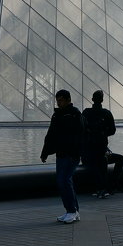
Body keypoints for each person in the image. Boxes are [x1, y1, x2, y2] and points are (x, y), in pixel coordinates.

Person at [40, 89, 84, 224]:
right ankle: (72, 211)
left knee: (63, 180)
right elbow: (50, 135)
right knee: (65, 181)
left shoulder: (75, 114)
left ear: (67, 100)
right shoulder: (57, 115)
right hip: (61, 154)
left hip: (71, 154)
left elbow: (81, 134)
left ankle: (72, 211)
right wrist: (45, 152)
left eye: (60, 100)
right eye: (57, 100)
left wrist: (76, 151)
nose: (58, 103)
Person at [82, 90, 116, 199]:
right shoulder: (107, 113)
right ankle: (105, 189)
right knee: (102, 165)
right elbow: (112, 130)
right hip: (101, 144)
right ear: (102, 100)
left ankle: (99, 189)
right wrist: (103, 133)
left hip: (89, 144)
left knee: (93, 166)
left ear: (92, 99)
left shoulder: (86, 112)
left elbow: (81, 128)